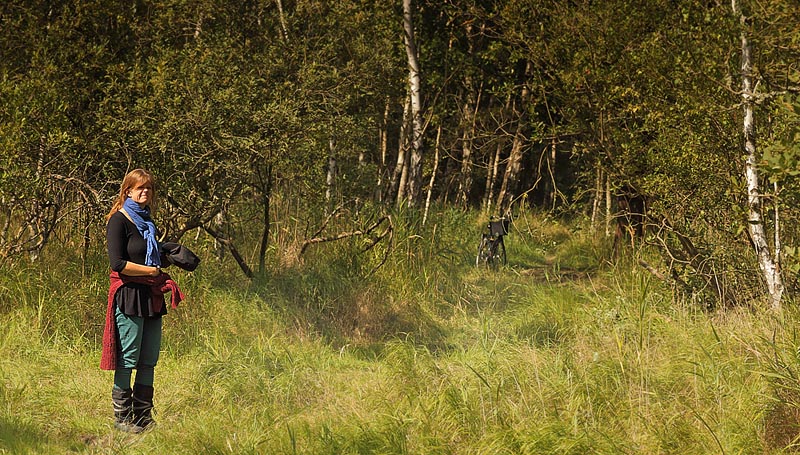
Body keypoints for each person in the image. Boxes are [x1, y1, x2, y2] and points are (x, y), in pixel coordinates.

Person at [101, 169, 184, 433]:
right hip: (129, 295)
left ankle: (143, 418)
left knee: (149, 359)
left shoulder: (148, 224)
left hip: (151, 295)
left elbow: (149, 255)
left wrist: (167, 254)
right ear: (127, 191)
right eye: (139, 188)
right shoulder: (119, 221)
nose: (144, 192)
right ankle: (122, 419)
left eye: (148, 188)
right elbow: (118, 263)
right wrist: (151, 271)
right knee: (128, 358)